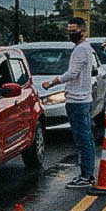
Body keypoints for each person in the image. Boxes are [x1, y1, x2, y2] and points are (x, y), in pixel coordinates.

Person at [40, 16, 97, 189]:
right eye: (69, 30)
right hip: (80, 98)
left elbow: (72, 73)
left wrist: (52, 83)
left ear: (83, 30)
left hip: (77, 100)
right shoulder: (84, 48)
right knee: (85, 138)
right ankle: (87, 173)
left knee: (82, 139)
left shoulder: (81, 49)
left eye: (74, 31)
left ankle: (86, 176)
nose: (71, 33)